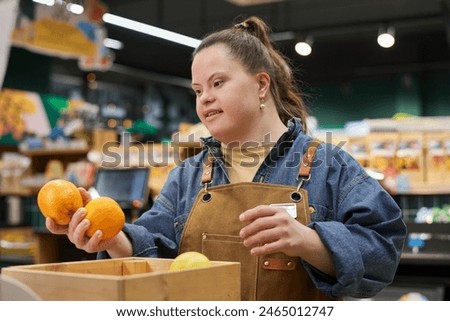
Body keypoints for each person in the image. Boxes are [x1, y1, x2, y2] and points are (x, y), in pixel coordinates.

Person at [46, 16, 407, 300]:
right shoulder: (188, 175)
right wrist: (109, 240)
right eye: (198, 90)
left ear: (261, 85)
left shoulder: (329, 166)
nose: (204, 99)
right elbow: (153, 247)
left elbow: (383, 250)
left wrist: (309, 242)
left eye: (218, 83)